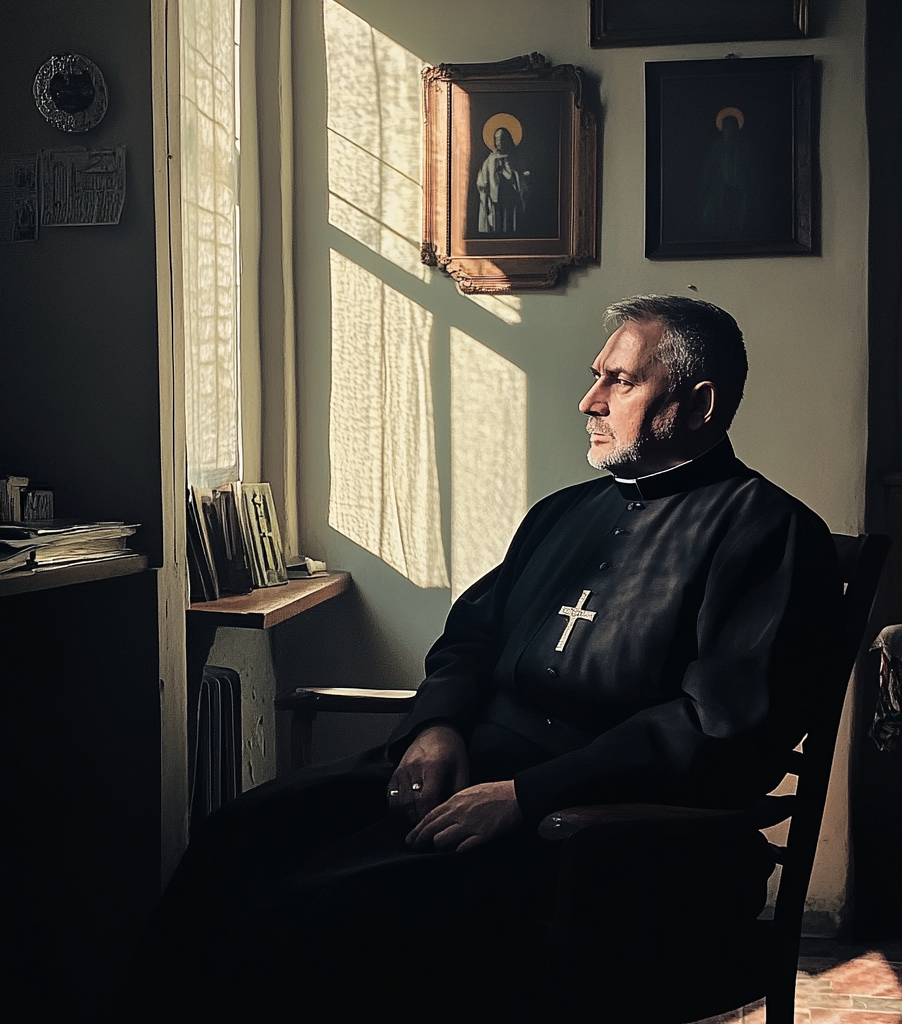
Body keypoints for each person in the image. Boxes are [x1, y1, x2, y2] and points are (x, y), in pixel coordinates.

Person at [116, 295, 840, 1022]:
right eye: (597, 377)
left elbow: (721, 730)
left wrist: (530, 795)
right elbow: (471, 638)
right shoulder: (563, 513)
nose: (588, 401)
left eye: (618, 381)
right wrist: (437, 729)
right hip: (471, 765)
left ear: (699, 401)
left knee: (326, 910)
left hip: (613, 830)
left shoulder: (770, 534)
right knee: (234, 842)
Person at [476, 126, 528, 234]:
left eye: (502, 138)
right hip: (496, 199)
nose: (499, 141)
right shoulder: (490, 159)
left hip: (511, 198)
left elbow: (522, 176)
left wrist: (511, 172)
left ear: (508, 139)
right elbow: (482, 179)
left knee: (511, 224)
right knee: (497, 225)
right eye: (497, 138)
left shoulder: (515, 157)